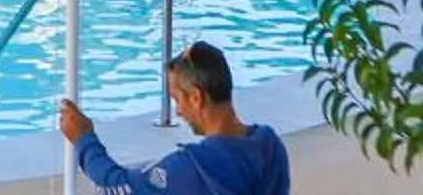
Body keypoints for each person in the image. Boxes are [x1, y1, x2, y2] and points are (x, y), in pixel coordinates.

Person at [60, 41, 290, 194]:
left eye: (177, 99)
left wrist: (84, 139)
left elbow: (117, 186)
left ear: (196, 97)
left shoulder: (194, 168)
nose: (178, 111)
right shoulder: (270, 145)